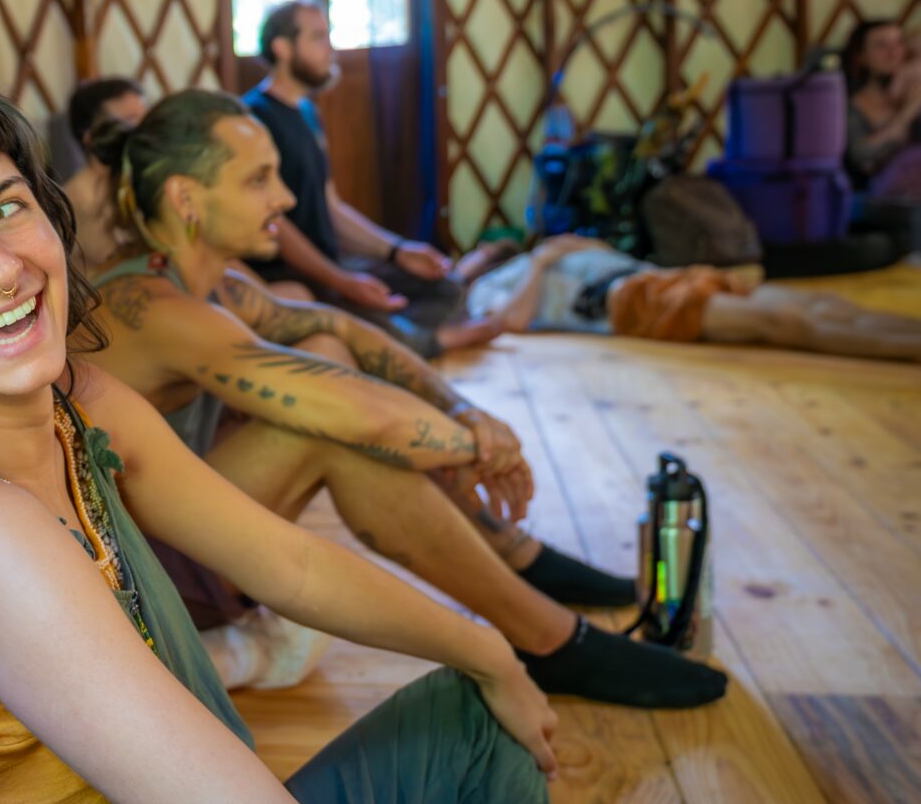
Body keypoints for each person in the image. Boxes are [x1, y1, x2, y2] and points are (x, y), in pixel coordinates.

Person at [0, 81, 583, 804]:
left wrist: (488, 648)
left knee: (477, 715)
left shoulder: (80, 406)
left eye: (4, 209)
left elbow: (291, 565)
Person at [82, 92, 728, 709]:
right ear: (186, 197)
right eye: (258, 180)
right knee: (330, 433)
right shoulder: (155, 310)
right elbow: (364, 417)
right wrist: (480, 447)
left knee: (328, 351)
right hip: (125, 583)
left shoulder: (214, 282)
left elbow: (341, 327)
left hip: (170, 536)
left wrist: (464, 412)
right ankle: (548, 639)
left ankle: (519, 563)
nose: (286, 197)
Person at [244, 0, 504, 354]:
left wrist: (397, 251)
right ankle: (421, 342)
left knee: (444, 288)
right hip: (292, 272)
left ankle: (406, 337)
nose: (330, 49)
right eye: (318, 37)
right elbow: (274, 224)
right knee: (349, 317)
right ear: (282, 48)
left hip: (333, 263)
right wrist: (341, 281)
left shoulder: (307, 113)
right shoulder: (255, 120)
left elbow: (332, 208)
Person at [468, 235, 921, 364]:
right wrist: (541, 262)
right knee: (788, 323)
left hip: (662, 275)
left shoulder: (535, 251)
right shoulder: (486, 288)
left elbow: (607, 250)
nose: (477, 252)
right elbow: (512, 321)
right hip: (632, 302)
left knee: (821, 304)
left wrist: (563, 247)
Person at [57, 76, 151, 270]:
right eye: (131, 120)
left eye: (147, 118)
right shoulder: (78, 201)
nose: (146, 130)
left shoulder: (143, 181)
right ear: (91, 136)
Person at [841, 18, 921, 200]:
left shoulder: (914, 89)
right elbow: (861, 158)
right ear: (861, 57)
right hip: (885, 200)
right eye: (881, 46)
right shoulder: (852, 107)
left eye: (899, 43)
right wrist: (907, 113)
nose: (894, 53)